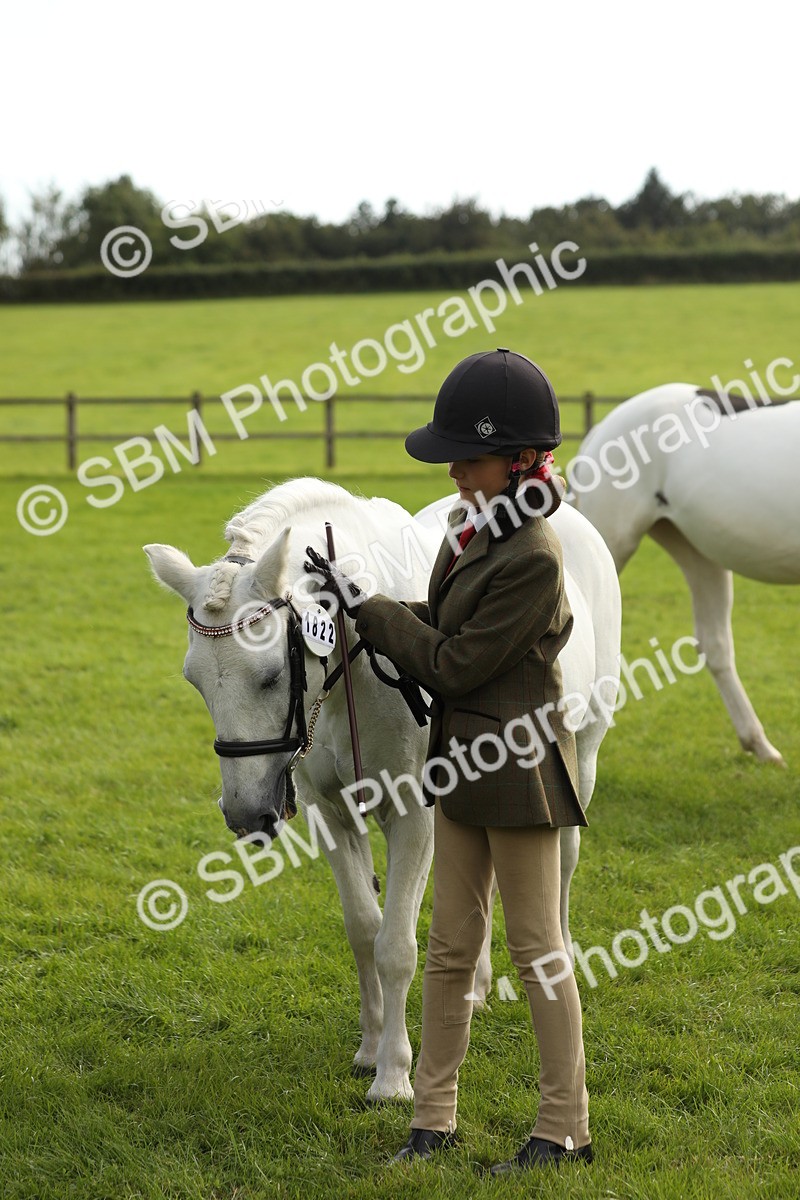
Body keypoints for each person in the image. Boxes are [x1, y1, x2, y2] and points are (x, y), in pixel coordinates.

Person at [304, 348, 593, 1173]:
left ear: (518, 457)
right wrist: (365, 599)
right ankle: (433, 1116)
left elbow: (458, 662)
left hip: (522, 772)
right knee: (450, 950)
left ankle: (564, 1127)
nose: (456, 471)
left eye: (468, 457)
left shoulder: (533, 552)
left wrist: (373, 610)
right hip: (461, 764)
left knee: (539, 951)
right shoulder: (474, 528)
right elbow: (442, 616)